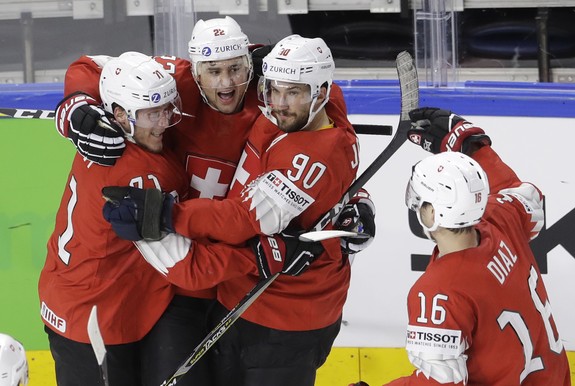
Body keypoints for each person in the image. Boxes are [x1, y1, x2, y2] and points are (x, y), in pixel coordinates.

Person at [54, 16, 375, 384]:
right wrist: (76, 106)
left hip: (234, 280)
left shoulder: (276, 92)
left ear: (251, 65)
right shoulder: (169, 86)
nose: (226, 83)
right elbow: (92, 67)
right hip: (185, 277)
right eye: (213, 71)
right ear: (194, 70)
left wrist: (357, 201)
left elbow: (326, 148)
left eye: (235, 69)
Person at [382, 107, 571, 385]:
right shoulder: (500, 219)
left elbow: (439, 383)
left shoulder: (438, 292)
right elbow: (525, 198)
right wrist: (472, 148)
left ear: (432, 214)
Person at [38, 52, 190, 386]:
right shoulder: (141, 174)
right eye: (153, 113)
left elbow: (89, 63)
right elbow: (187, 243)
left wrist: (76, 104)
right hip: (97, 316)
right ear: (120, 114)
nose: (164, 122)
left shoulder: (100, 135)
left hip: (69, 292)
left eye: (167, 108)